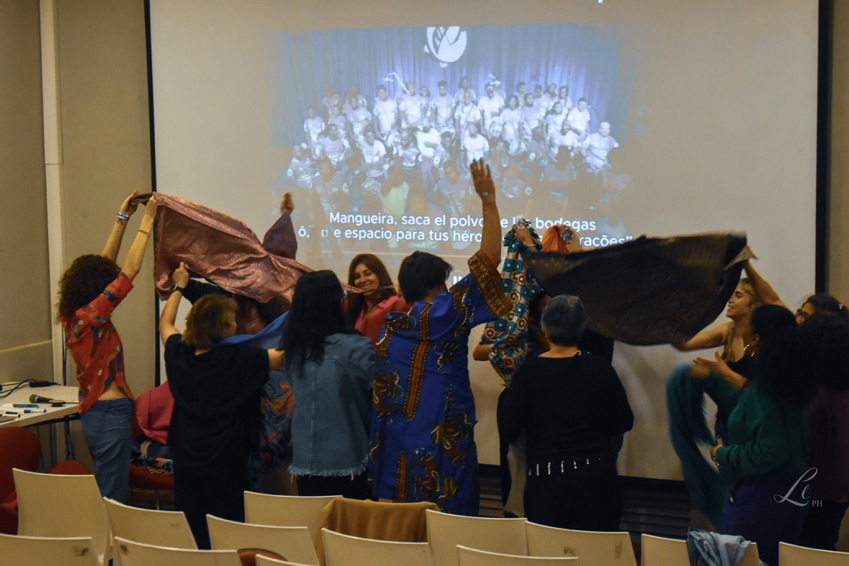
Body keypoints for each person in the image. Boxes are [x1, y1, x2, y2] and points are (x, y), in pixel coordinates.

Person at [369, 159, 511, 515]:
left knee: (409, 524)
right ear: (439, 284)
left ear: (404, 289)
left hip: (401, 446)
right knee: (452, 520)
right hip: (447, 438)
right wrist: (488, 201)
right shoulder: (450, 312)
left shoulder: (390, 329)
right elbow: (490, 258)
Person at [159, 263, 286, 548]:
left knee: (193, 530)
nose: (236, 324)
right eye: (231, 320)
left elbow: (165, 324)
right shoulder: (241, 360)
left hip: (186, 459)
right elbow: (282, 356)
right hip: (227, 463)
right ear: (223, 326)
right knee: (227, 534)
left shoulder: (179, 353)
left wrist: (179, 287)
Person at [498, 295, 633, 530]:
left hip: (546, 483)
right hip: (597, 482)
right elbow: (624, 421)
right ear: (581, 328)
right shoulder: (601, 369)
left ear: (545, 328)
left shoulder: (528, 373)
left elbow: (508, 429)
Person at [58, 193, 158, 503]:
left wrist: (122, 219)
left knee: (108, 491)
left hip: (94, 414)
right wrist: (148, 220)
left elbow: (105, 268)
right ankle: (106, 539)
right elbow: (129, 271)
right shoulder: (94, 314)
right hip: (110, 414)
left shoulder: (74, 315)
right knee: (112, 498)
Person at [700, 305, 814, 566]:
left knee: (728, 561)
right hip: (792, 493)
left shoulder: (766, 387)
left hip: (761, 496)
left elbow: (771, 450)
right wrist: (713, 381)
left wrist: (723, 453)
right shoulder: (788, 380)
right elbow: (749, 410)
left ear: (755, 339)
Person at [281, 271, 376, 498]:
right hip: (350, 460)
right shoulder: (358, 347)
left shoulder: (294, 348)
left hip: (305, 462)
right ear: (336, 301)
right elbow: (377, 402)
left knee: (312, 520)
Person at [799, 312, 849, 550]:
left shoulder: (814, 395)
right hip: (839, 492)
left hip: (812, 491)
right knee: (823, 543)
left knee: (803, 548)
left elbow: (801, 443)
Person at [345, 254, 408, 345]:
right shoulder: (353, 307)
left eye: (367, 274)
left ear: (379, 275)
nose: (362, 280)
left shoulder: (395, 304)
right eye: (357, 277)